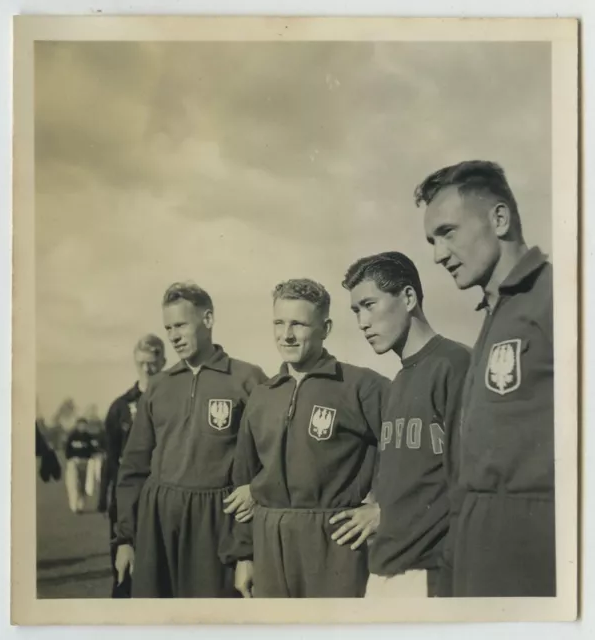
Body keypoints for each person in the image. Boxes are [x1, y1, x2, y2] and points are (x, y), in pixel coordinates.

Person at [416, 160, 555, 597]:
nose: (438, 255)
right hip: (473, 558)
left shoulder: (560, 297)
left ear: (499, 218)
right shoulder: (495, 316)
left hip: (535, 562)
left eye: (448, 232)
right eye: (431, 241)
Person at [226, 279, 388, 598]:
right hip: (270, 542)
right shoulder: (262, 395)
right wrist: (244, 555)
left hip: (335, 542)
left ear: (324, 328)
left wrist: (383, 506)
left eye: (298, 324)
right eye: (279, 323)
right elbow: (243, 481)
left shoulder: (361, 387)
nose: (286, 335)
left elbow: (405, 451)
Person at [115, 282, 267, 598]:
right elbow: (133, 468)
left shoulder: (246, 380)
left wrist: (246, 550)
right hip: (158, 523)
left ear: (207, 319)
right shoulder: (158, 387)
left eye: (181, 325)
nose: (173, 336)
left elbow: (262, 470)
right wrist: (126, 539)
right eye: (168, 327)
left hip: (217, 524)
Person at [341, 252, 471, 598]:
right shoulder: (398, 381)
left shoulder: (455, 365)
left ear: (409, 298)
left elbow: (471, 481)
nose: (362, 323)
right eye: (356, 311)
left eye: (369, 305)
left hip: (430, 571)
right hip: (386, 567)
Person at [100, 334, 167, 599]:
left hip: (162, 496)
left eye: (152, 362)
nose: (147, 369)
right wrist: (106, 495)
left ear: (163, 360)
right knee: (123, 569)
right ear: (135, 362)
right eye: (142, 363)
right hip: (127, 497)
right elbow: (111, 455)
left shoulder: (174, 399)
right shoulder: (120, 407)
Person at [64, 418, 96, 513]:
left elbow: (92, 450)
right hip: (73, 462)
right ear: (77, 425)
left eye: (84, 425)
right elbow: (67, 450)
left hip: (85, 462)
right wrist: (71, 458)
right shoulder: (72, 436)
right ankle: (73, 505)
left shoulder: (88, 437)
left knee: (83, 484)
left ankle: (80, 505)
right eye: (81, 425)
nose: (82, 427)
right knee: (73, 484)